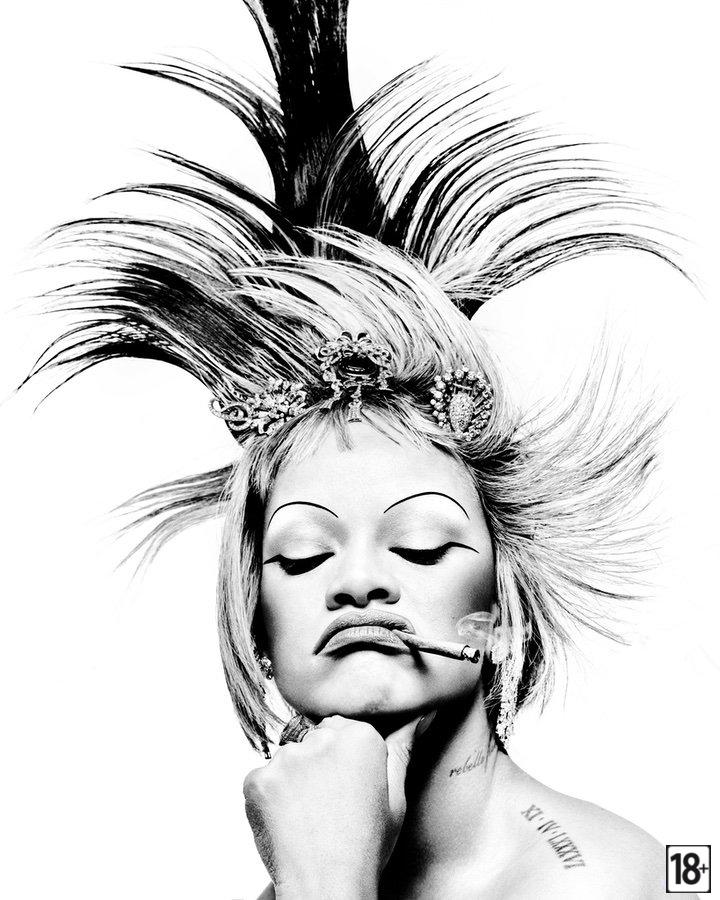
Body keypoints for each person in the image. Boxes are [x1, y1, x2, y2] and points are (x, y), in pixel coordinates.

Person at [17, 0, 703, 896]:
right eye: (303, 554)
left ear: (502, 604)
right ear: (256, 626)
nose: (360, 582)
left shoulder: (621, 879)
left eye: (422, 542)